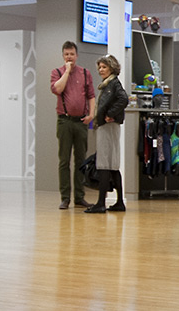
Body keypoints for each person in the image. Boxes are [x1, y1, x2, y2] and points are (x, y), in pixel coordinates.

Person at [50, 41, 95, 210]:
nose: (69, 57)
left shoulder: (85, 73)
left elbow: (91, 96)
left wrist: (91, 114)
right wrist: (67, 71)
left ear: (77, 55)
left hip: (81, 121)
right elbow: (57, 89)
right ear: (63, 56)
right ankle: (65, 198)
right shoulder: (56, 72)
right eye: (66, 54)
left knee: (81, 160)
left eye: (72, 54)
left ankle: (79, 197)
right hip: (65, 121)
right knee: (64, 160)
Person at [86, 54, 130, 213]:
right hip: (108, 127)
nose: (101, 70)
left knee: (104, 164)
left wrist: (110, 114)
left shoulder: (113, 84)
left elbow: (124, 99)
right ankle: (119, 202)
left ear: (112, 68)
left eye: (104, 67)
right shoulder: (108, 84)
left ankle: (101, 203)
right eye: (99, 67)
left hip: (108, 127)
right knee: (111, 165)